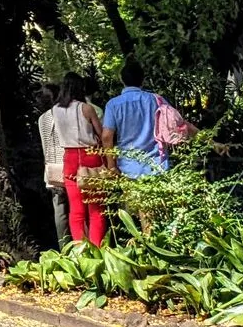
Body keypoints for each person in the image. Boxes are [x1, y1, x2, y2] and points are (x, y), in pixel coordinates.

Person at [50, 74, 107, 246]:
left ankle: (79, 249)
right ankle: (97, 247)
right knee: (96, 208)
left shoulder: (55, 109)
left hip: (69, 157)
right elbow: (100, 133)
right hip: (89, 157)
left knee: (76, 209)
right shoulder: (86, 108)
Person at [102, 58, 165, 179]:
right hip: (157, 165)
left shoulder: (113, 105)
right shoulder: (156, 100)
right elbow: (178, 122)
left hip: (129, 167)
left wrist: (111, 165)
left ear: (122, 80)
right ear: (143, 80)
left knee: (132, 198)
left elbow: (106, 137)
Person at [36, 87, 70, 247]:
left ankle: (64, 247)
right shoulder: (65, 115)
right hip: (68, 165)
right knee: (78, 209)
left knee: (60, 209)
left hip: (52, 168)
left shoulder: (42, 119)